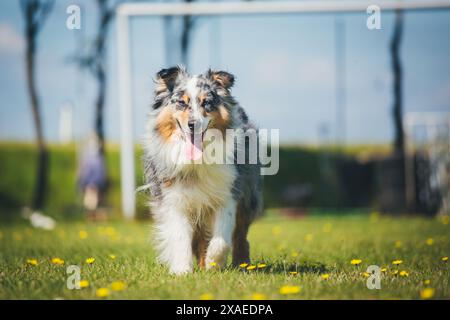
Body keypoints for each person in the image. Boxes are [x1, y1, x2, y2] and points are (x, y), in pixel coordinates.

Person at [78, 133, 107, 221]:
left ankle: (93, 217)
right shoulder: (87, 156)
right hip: (89, 183)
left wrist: (96, 183)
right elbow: (85, 172)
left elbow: (100, 172)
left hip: (95, 183)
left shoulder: (99, 157)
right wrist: (87, 183)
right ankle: (90, 217)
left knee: (93, 201)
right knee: (90, 201)